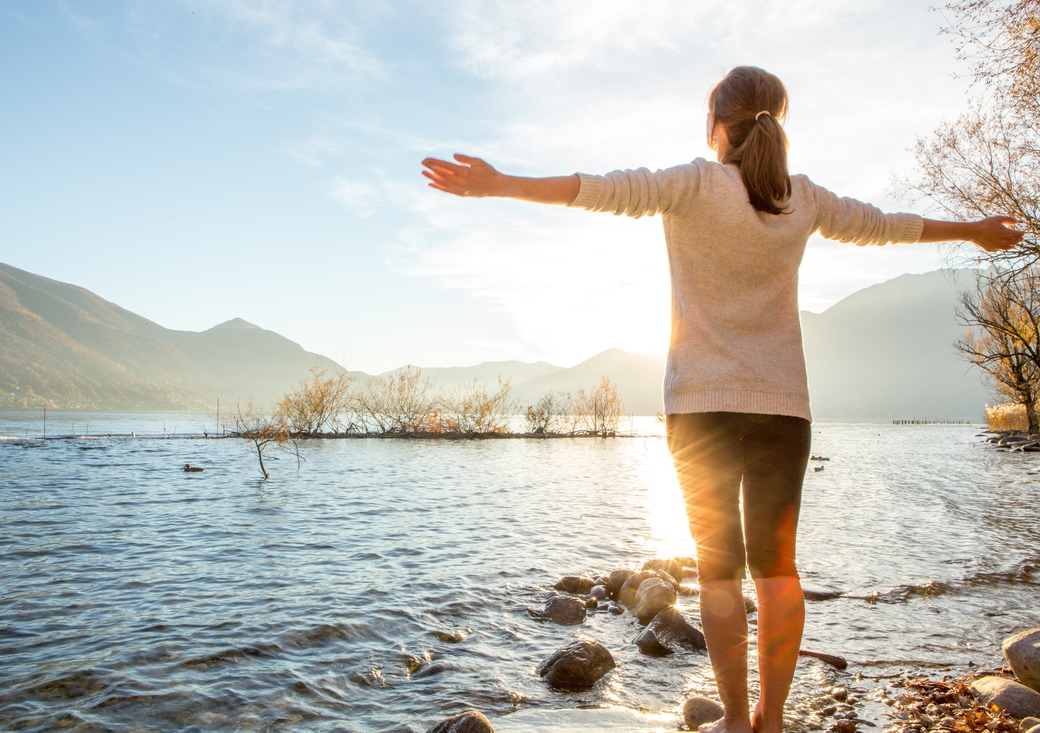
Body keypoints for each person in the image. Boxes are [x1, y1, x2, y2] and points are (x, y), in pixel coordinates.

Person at [421, 66, 1022, 733]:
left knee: (717, 573)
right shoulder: (804, 198)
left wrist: (500, 184)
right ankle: (771, 717)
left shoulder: (693, 184)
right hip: (783, 408)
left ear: (716, 124)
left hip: (702, 408)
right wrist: (971, 228)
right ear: (775, 121)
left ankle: (736, 719)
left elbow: (598, 191)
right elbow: (886, 227)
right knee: (778, 572)